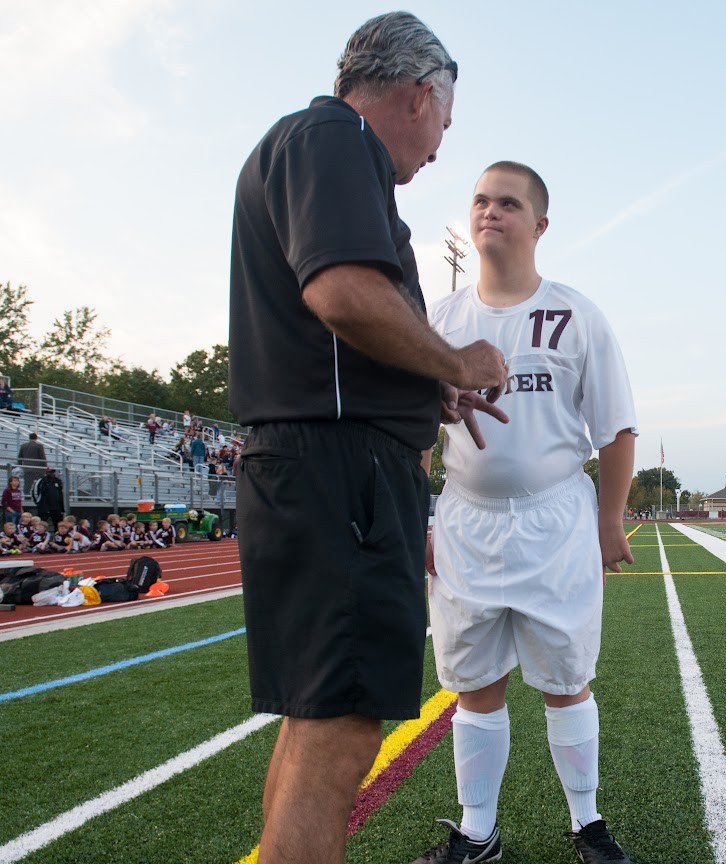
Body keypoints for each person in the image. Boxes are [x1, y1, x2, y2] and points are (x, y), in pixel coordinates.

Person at [227, 13, 506, 864]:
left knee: (320, 718)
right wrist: (456, 353)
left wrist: (431, 380)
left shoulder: (310, 142)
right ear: (421, 95)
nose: (437, 148)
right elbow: (345, 293)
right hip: (338, 468)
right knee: (344, 726)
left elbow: (350, 324)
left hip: (316, 463)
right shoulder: (336, 137)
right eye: (444, 125)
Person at [418, 162, 639, 864]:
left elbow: (616, 431)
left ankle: (588, 824)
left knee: (567, 680)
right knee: (474, 684)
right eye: (480, 200)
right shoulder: (439, 321)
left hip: (556, 520)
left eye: (507, 203)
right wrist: (420, 519)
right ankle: (477, 832)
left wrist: (609, 522)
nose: (490, 212)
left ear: (539, 224)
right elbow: (415, 428)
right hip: (465, 521)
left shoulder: (576, 315)